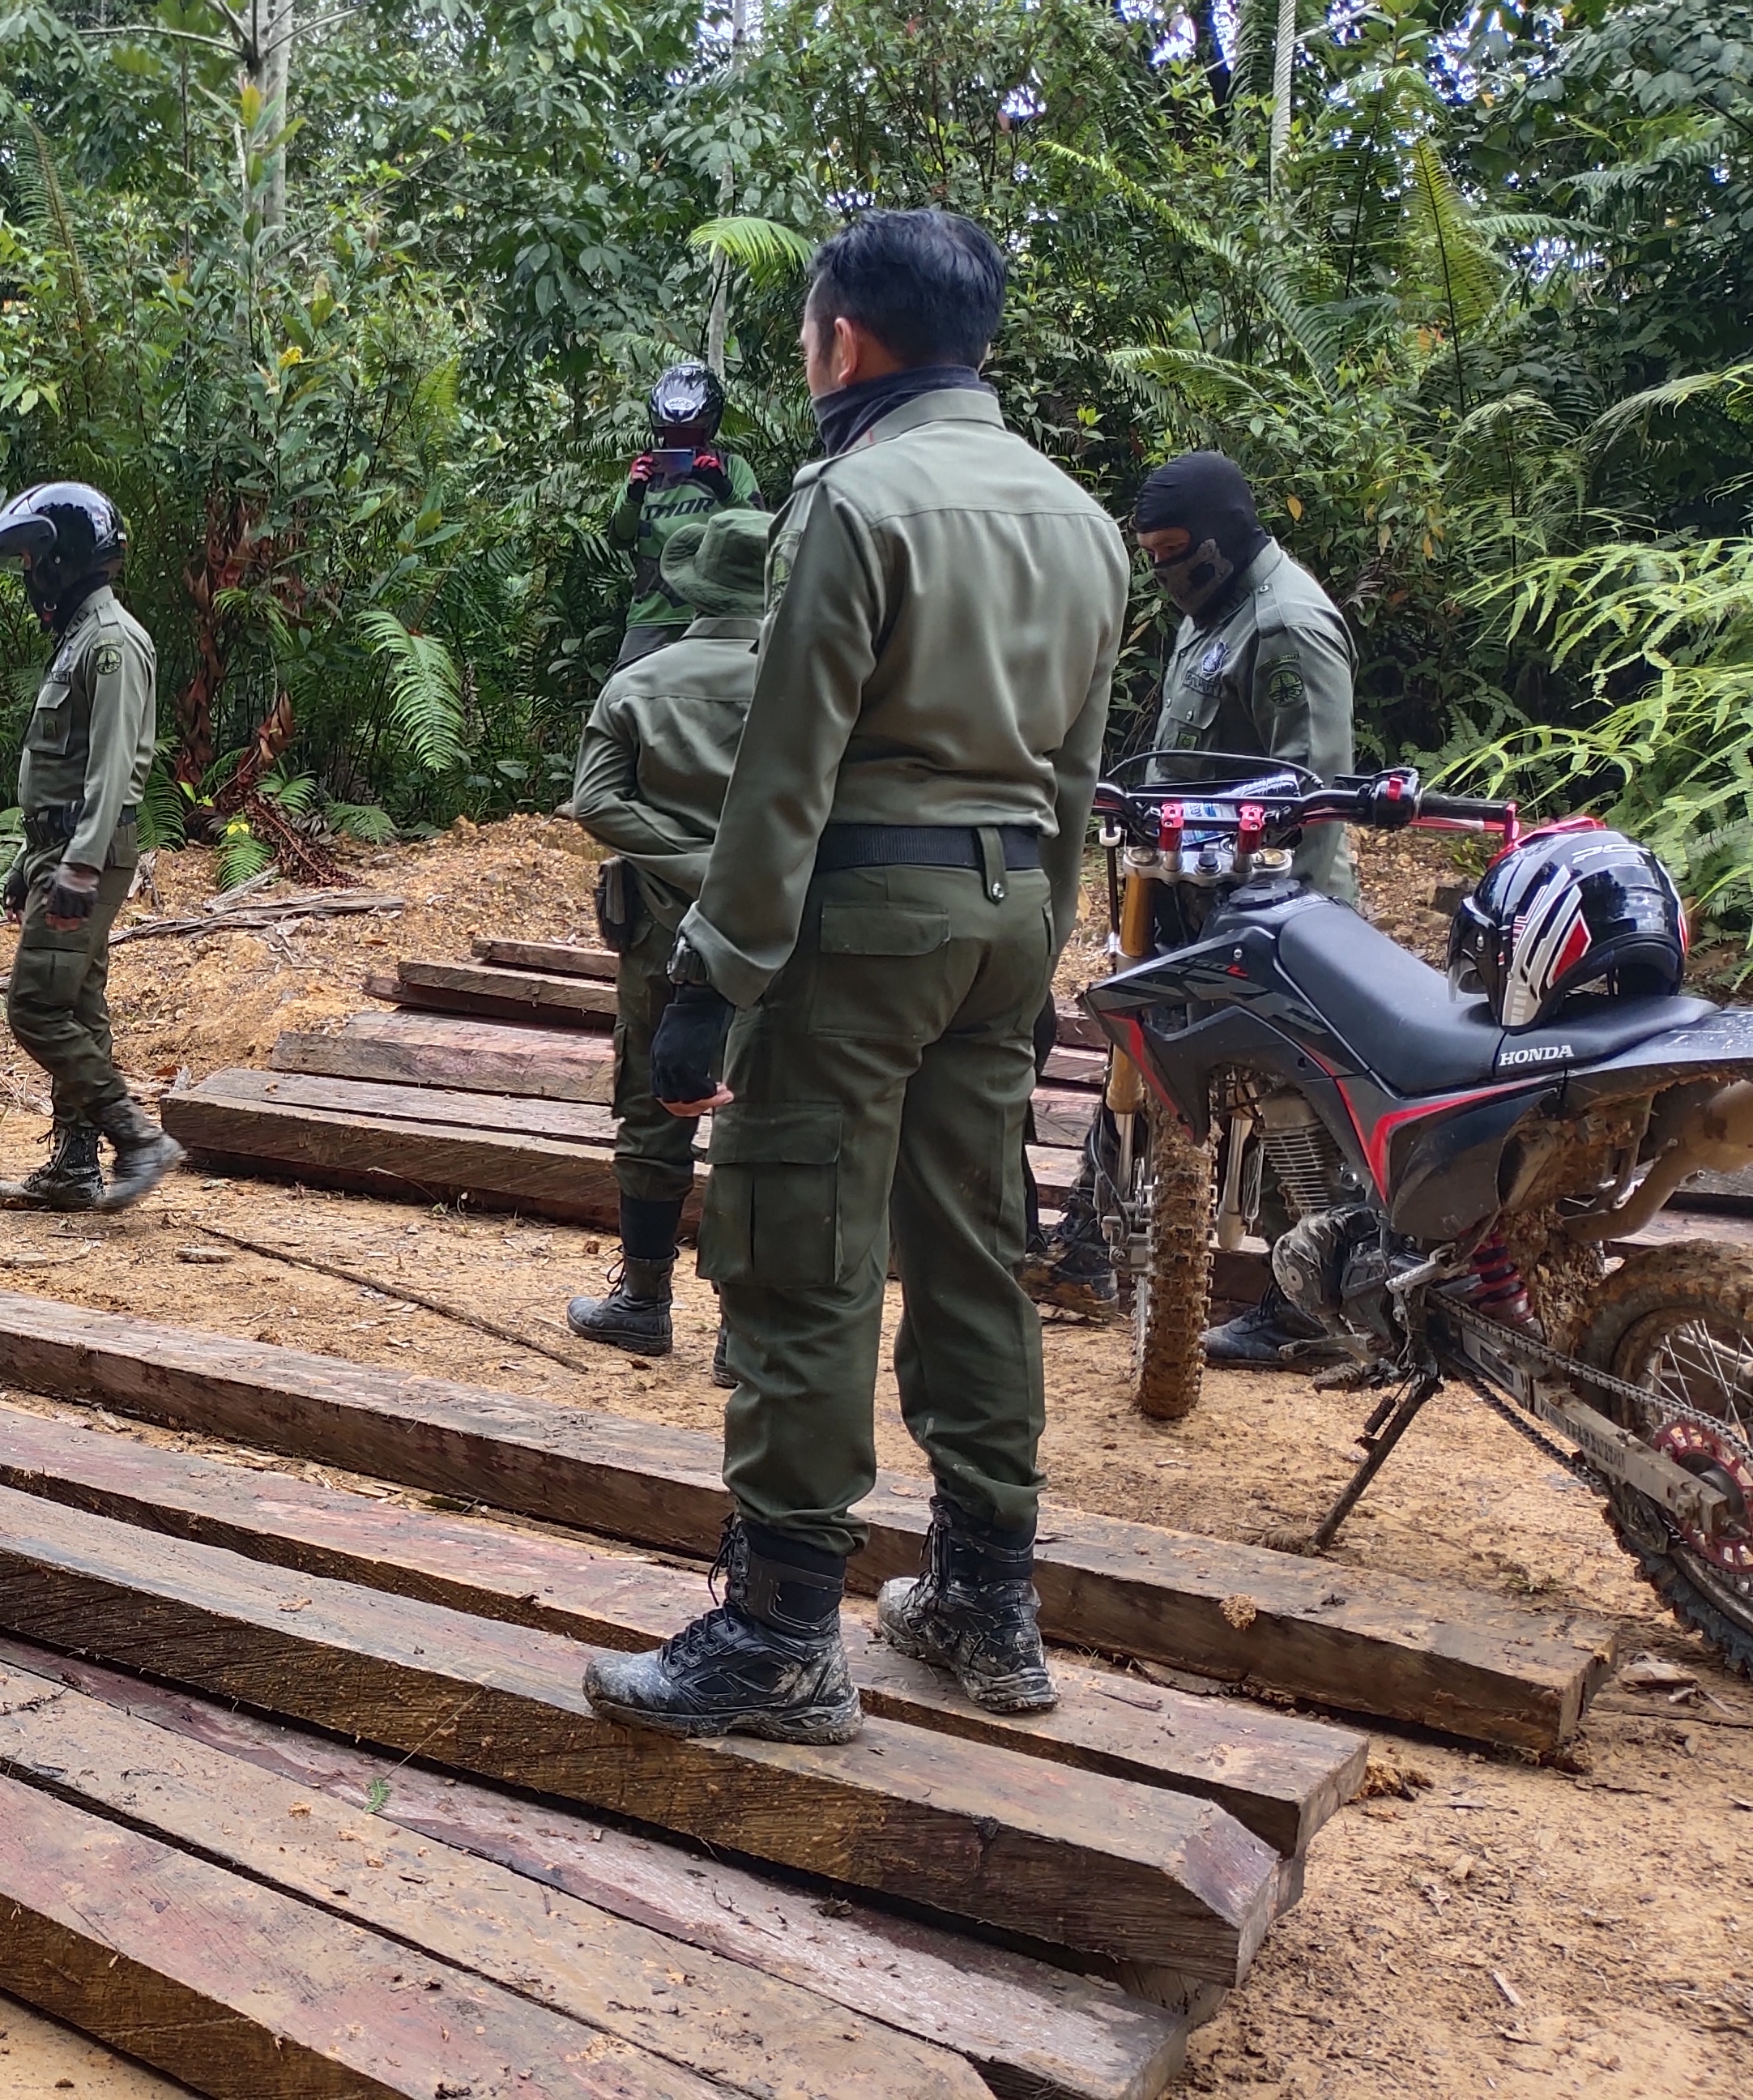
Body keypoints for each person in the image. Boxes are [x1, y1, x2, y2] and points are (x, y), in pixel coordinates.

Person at [579, 211, 1129, 1745]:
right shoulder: (1081, 521)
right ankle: (985, 1601)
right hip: (1008, 916)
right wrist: (1039, 952)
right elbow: (1073, 776)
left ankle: (777, 1635)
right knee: (971, 1249)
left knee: (801, 1250)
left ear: (844, 338)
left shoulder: (853, 498)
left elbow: (787, 762)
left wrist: (712, 974)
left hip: (861, 921)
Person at [1021, 451, 1363, 1365]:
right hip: (1185, 886)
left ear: (1223, 537)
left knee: (1289, 1100)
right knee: (1146, 1050)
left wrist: (1282, 929)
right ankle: (1091, 1245)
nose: (1166, 572)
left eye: (1177, 552)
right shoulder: (1212, 611)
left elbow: (1314, 794)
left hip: (1272, 907)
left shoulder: (1286, 626)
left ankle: (1319, 1305)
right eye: (1154, 557)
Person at [562, 507, 775, 1364]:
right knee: (763, 1113)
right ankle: (745, 1330)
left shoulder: (639, 684)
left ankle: (644, 1303)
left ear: (694, 585)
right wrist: (743, 870)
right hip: (777, 927)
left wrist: (691, 864)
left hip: (660, 923)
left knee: (654, 1107)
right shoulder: (808, 687)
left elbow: (595, 802)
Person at [0, 482, 181, 1213]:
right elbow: (59, 770)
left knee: (36, 1006)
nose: (30, 576)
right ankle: (74, 1167)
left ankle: (137, 1138)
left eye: (34, 560)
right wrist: (26, 862)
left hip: (83, 853)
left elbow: (114, 768)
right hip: (59, 848)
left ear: (64, 558)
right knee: (79, 1004)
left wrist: (81, 865)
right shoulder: (80, 640)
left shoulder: (111, 643)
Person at [606, 360, 762, 670]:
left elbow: (759, 534)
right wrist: (634, 493)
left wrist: (722, 488)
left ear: (708, 427)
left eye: (688, 433)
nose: (679, 440)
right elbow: (619, 539)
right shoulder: (644, 474)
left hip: (721, 613)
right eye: (672, 433)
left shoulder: (732, 469)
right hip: (653, 615)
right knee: (625, 688)